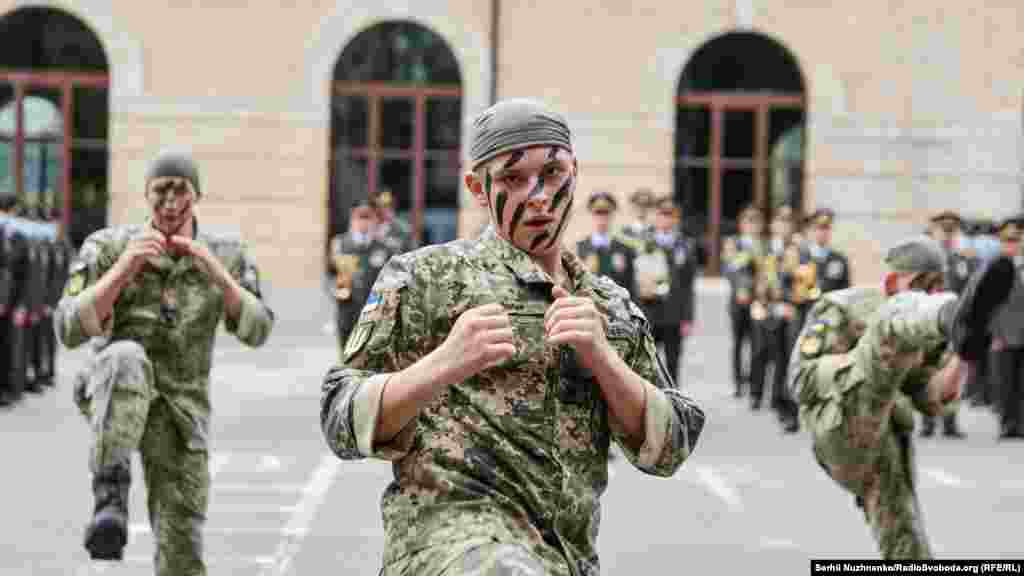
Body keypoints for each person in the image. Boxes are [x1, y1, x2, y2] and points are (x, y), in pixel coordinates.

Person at [320, 98, 705, 576]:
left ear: (575, 173)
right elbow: (338, 414)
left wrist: (604, 360)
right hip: (447, 550)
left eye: (552, 172)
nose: (538, 195)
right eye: (512, 179)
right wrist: (442, 365)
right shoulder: (425, 278)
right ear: (477, 189)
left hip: (566, 558)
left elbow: (672, 445)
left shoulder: (609, 306)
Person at [55, 149, 275, 574]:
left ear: (197, 195)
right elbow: (67, 327)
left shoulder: (224, 253)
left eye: (181, 190)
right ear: (146, 194)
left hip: (181, 415)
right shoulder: (108, 246)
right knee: (126, 356)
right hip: (113, 394)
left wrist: (217, 273)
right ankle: (110, 499)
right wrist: (123, 268)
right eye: (161, 190)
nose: (171, 202)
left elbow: (258, 329)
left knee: (182, 556)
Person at [789, 235, 1015, 559]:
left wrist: (963, 359)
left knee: (906, 543)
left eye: (939, 284)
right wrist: (859, 367)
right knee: (890, 324)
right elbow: (799, 379)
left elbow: (930, 399)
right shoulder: (842, 307)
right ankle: (953, 314)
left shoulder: (925, 334)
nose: (931, 290)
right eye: (923, 284)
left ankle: (960, 325)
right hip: (840, 427)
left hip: (884, 444)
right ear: (893, 280)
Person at [920, 210, 974, 438]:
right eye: (944, 231)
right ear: (936, 232)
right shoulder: (926, 261)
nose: (947, 236)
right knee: (928, 371)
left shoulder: (964, 260)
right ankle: (928, 421)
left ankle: (950, 421)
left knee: (953, 371)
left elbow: (969, 292)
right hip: (930, 321)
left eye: (952, 232)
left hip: (955, 323)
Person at [637, 195, 698, 386]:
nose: (666, 219)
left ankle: (674, 405)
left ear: (675, 218)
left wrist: (688, 317)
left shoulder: (685, 245)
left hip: (674, 314)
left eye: (670, 215)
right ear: (656, 216)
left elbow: (689, 285)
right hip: (650, 311)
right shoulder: (643, 242)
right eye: (662, 214)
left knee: (673, 364)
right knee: (648, 364)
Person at [328, 191, 397, 355]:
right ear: (352, 218)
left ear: (375, 219)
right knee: (346, 357)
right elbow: (330, 275)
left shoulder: (385, 247)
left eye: (368, 217)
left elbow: (391, 281)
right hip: (347, 309)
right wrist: (335, 291)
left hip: (374, 311)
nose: (363, 222)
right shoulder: (340, 244)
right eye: (360, 217)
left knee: (370, 358)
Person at [722, 205, 764, 398]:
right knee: (738, 343)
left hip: (758, 300)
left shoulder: (764, 245)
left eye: (755, 222)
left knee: (758, 344)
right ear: (741, 224)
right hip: (737, 301)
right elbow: (729, 269)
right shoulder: (733, 243)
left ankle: (756, 385)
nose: (751, 226)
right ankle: (738, 383)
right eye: (748, 221)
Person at [990, 214, 1024, 440]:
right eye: (1007, 240)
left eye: (1016, 239)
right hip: (1004, 333)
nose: (1012, 244)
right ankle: (1007, 423)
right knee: (1005, 381)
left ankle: (1021, 423)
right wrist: (994, 334)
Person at [575, 190, 636, 296]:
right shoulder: (580, 248)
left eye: (606, 212)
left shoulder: (625, 249)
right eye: (598, 212)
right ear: (592, 214)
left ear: (612, 214)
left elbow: (631, 285)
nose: (602, 217)